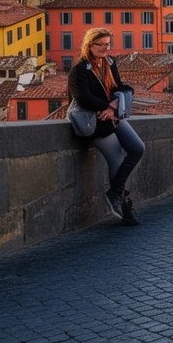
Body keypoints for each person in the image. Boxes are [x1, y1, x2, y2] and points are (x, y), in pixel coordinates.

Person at [68, 27, 142, 226]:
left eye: (107, 44)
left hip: (111, 116)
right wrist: (106, 107)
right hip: (95, 122)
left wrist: (115, 105)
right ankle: (122, 203)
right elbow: (82, 97)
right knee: (117, 159)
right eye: (99, 44)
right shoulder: (79, 70)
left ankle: (113, 192)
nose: (104, 48)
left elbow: (118, 87)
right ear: (89, 45)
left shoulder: (109, 63)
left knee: (137, 148)